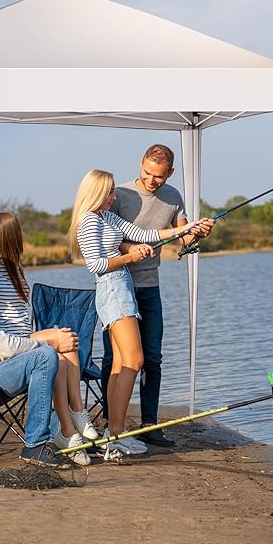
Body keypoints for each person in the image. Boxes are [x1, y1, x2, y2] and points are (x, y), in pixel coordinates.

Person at [0, 212, 98, 466]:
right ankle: (38, 443)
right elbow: (4, 346)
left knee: (57, 346)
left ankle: (68, 426)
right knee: (46, 355)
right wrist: (49, 343)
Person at [68, 169, 209, 456]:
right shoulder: (89, 221)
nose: (114, 196)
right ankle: (116, 436)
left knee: (121, 363)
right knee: (134, 360)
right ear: (97, 193)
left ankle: (113, 434)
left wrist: (188, 228)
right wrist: (130, 256)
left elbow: (144, 234)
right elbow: (95, 265)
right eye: (110, 192)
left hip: (122, 286)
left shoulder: (105, 217)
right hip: (112, 289)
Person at [102, 144, 214, 447]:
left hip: (150, 286)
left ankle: (149, 424)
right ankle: (110, 422)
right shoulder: (118, 195)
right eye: (147, 173)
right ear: (141, 163)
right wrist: (131, 249)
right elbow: (107, 238)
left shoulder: (173, 197)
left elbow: (184, 237)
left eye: (159, 177)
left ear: (170, 173)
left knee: (152, 357)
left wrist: (198, 233)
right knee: (115, 358)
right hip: (118, 285)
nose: (152, 181)